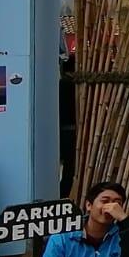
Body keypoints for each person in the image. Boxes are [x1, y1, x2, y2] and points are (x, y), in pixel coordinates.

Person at [58, 53, 76, 199]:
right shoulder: (72, 86)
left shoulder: (60, 85)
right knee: (70, 167)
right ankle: (65, 192)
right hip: (70, 132)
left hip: (60, 131)